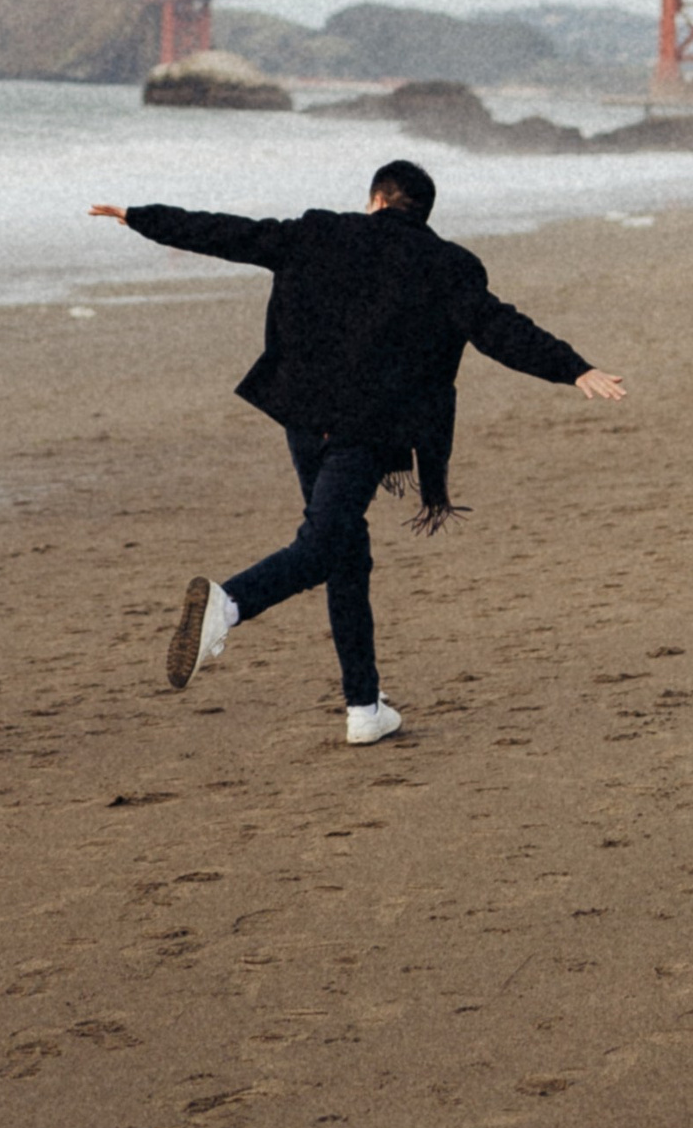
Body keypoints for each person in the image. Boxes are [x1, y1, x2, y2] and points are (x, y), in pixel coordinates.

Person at [88, 156, 625, 745]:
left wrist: (141, 217)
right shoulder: (448, 265)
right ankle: (229, 603)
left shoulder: (319, 231)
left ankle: (364, 707)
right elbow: (498, 328)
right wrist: (573, 369)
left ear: (376, 199)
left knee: (344, 548)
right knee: (323, 545)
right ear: (421, 212)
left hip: (303, 415)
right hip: (369, 428)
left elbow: (232, 234)